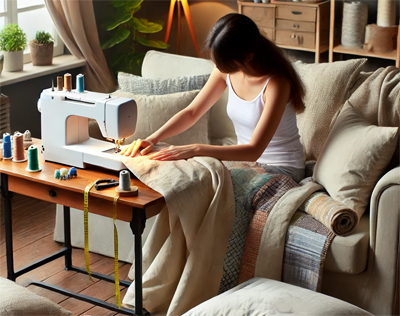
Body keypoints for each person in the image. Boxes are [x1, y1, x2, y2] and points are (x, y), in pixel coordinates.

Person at [122, 13, 306, 183]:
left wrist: (195, 149)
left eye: (224, 63)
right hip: (246, 164)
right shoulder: (225, 71)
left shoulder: (276, 85)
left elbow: (254, 150)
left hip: (282, 169)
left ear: (248, 56)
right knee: (187, 181)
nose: (218, 67)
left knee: (208, 187)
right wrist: (153, 139)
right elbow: (192, 112)